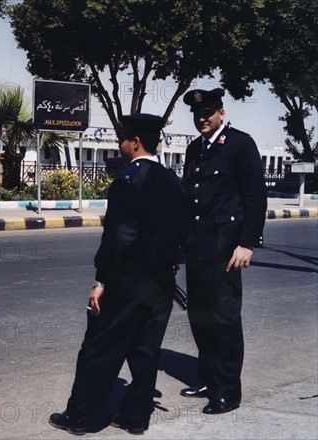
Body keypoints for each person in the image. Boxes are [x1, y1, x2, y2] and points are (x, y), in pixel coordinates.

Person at [49, 114, 189, 435]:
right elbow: (184, 231)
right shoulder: (171, 180)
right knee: (145, 351)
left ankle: (81, 417)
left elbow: (117, 238)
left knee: (99, 348)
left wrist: (100, 282)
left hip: (127, 283)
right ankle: (134, 417)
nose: (120, 144)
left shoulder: (129, 180)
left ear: (135, 142)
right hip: (162, 284)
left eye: (123, 139)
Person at [180, 88, 267, 414]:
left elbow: (255, 197)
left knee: (225, 319)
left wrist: (247, 243)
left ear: (221, 113)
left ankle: (228, 392)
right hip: (197, 247)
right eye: (197, 115)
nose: (202, 118)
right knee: (199, 316)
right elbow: (191, 201)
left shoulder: (241, 145)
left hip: (227, 248)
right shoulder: (193, 149)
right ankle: (208, 379)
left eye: (208, 113)